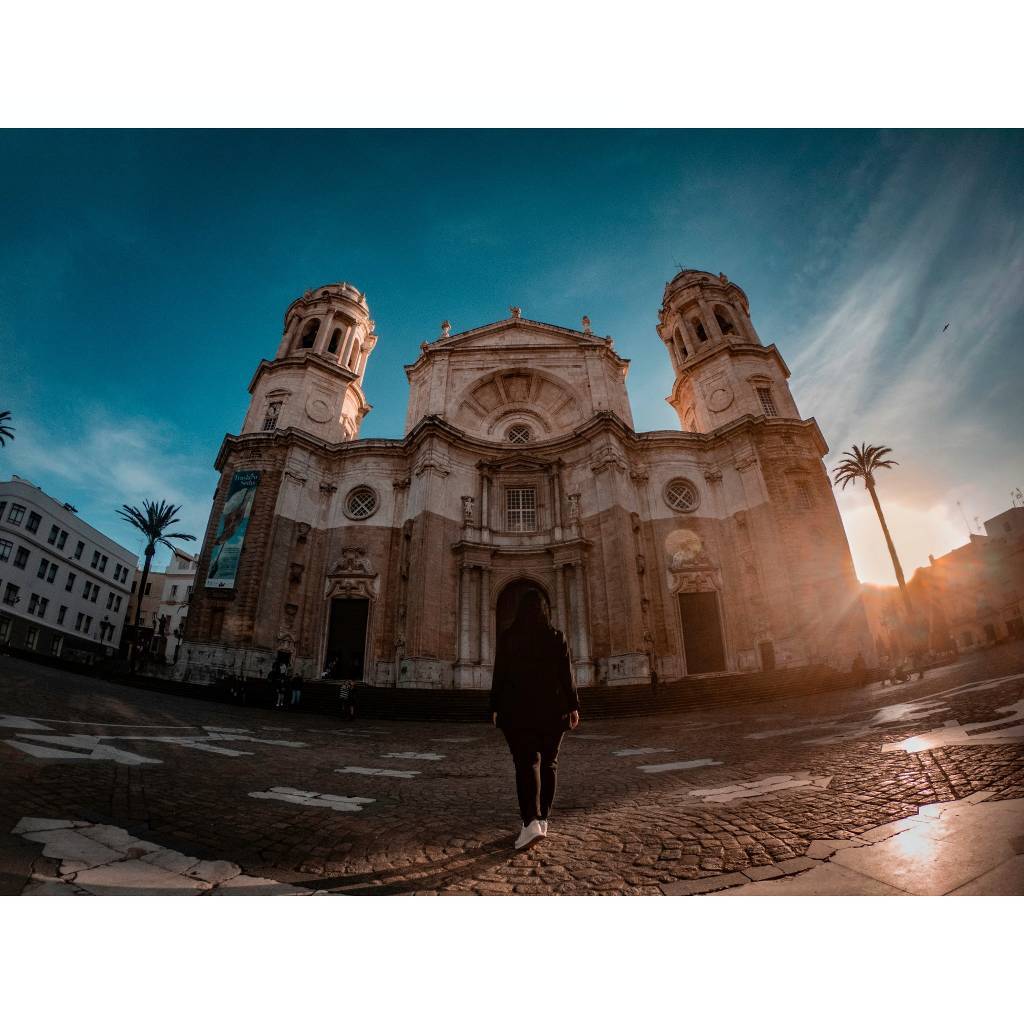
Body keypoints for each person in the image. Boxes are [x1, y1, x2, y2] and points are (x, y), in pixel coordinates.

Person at [490, 589, 580, 851]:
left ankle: (529, 822)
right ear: (545, 610)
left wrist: (494, 706)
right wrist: (574, 706)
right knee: (549, 763)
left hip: (518, 712)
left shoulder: (509, 638)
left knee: (526, 764)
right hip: (554, 711)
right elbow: (567, 674)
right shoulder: (556, 637)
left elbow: (500, 674)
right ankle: (543, 820)